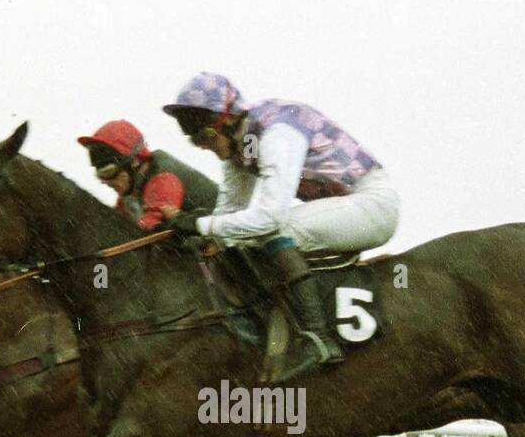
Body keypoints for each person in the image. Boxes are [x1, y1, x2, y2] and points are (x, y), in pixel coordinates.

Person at [160, 72, 400, 382]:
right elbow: (229, 214)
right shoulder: (240, 146)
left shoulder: (279, 131)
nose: (203, 146)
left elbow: (269, 217)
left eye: (206, 135)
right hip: (347, 207)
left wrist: (199, 224)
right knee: (239, 239)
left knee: (271, 231)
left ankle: (318, 339)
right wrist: (197, 238)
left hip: (374, 204)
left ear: (228, 120)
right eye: (195, 141)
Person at [76, 120, 217, 230]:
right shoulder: (131, 186)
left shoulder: (164, 179)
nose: (106, 181)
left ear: (135, 161)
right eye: (100, 175)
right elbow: (116, 224)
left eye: (108, 172)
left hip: (230, 240)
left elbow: (144, 231)